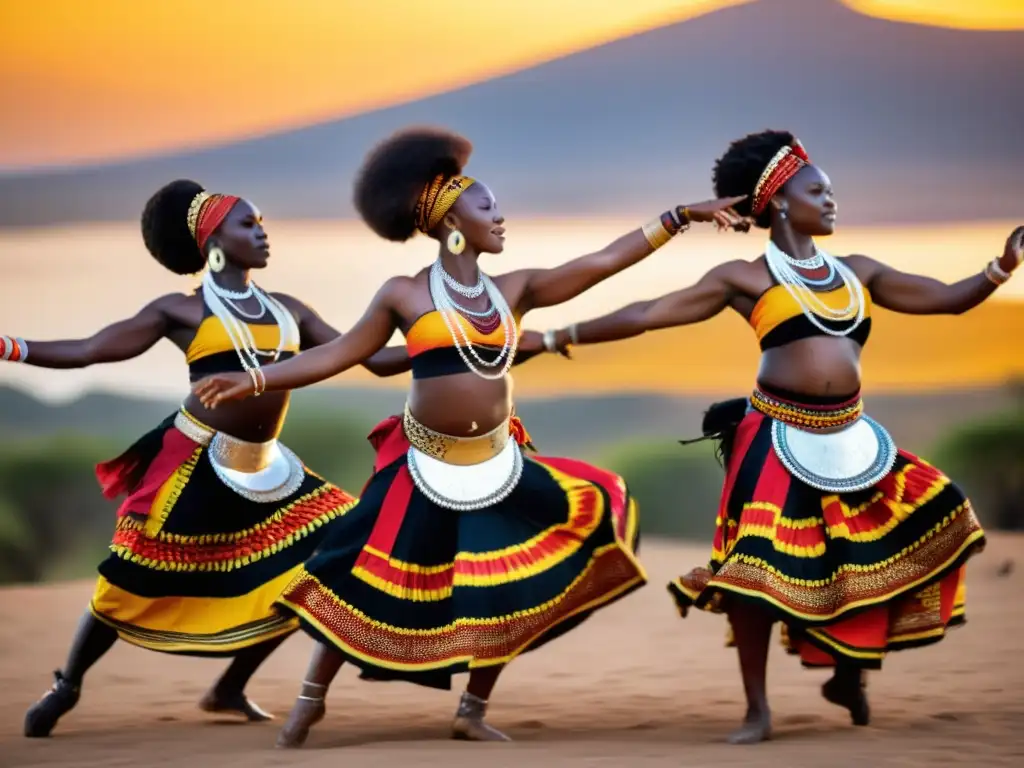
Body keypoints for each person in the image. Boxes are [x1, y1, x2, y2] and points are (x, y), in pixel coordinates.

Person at [190, 127, 747, 747]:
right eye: (487, 207)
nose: (500, 216)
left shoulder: (516, 290)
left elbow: (602, 262)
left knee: (503, 584)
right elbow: (343, 353)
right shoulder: (403, 294)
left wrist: (679, 217)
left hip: (497, 462)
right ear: (452, 219)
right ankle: (309, 704)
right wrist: (256, 378)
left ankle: (472, 710)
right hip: (421, 463)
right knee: (356, 578)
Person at [538, 130, 1020, 744]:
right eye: (818, 190)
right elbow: (648, 312)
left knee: (880, 544)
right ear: (783, 202)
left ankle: (849, 672)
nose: (832, 200)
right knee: (757, 570)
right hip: (775, 438)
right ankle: (756, 709)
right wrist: (558, 337)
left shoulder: (859, 271)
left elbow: (948, 301)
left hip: (850, 436)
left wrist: (1002, 266)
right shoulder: (744, 277)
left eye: (831, 190)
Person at [4, 179, 414, 738]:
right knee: (128, 581)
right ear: (214, 242)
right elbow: (90, 350)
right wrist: (9, 347)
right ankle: (66, 684)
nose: (263, 232)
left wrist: (437, 331)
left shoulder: (291, 309)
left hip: (267, 468)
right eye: (248, 224)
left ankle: (228, 688)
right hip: (192, 462)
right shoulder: (180, 310)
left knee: (325, 561)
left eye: (262, 221)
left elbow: (372, 358)